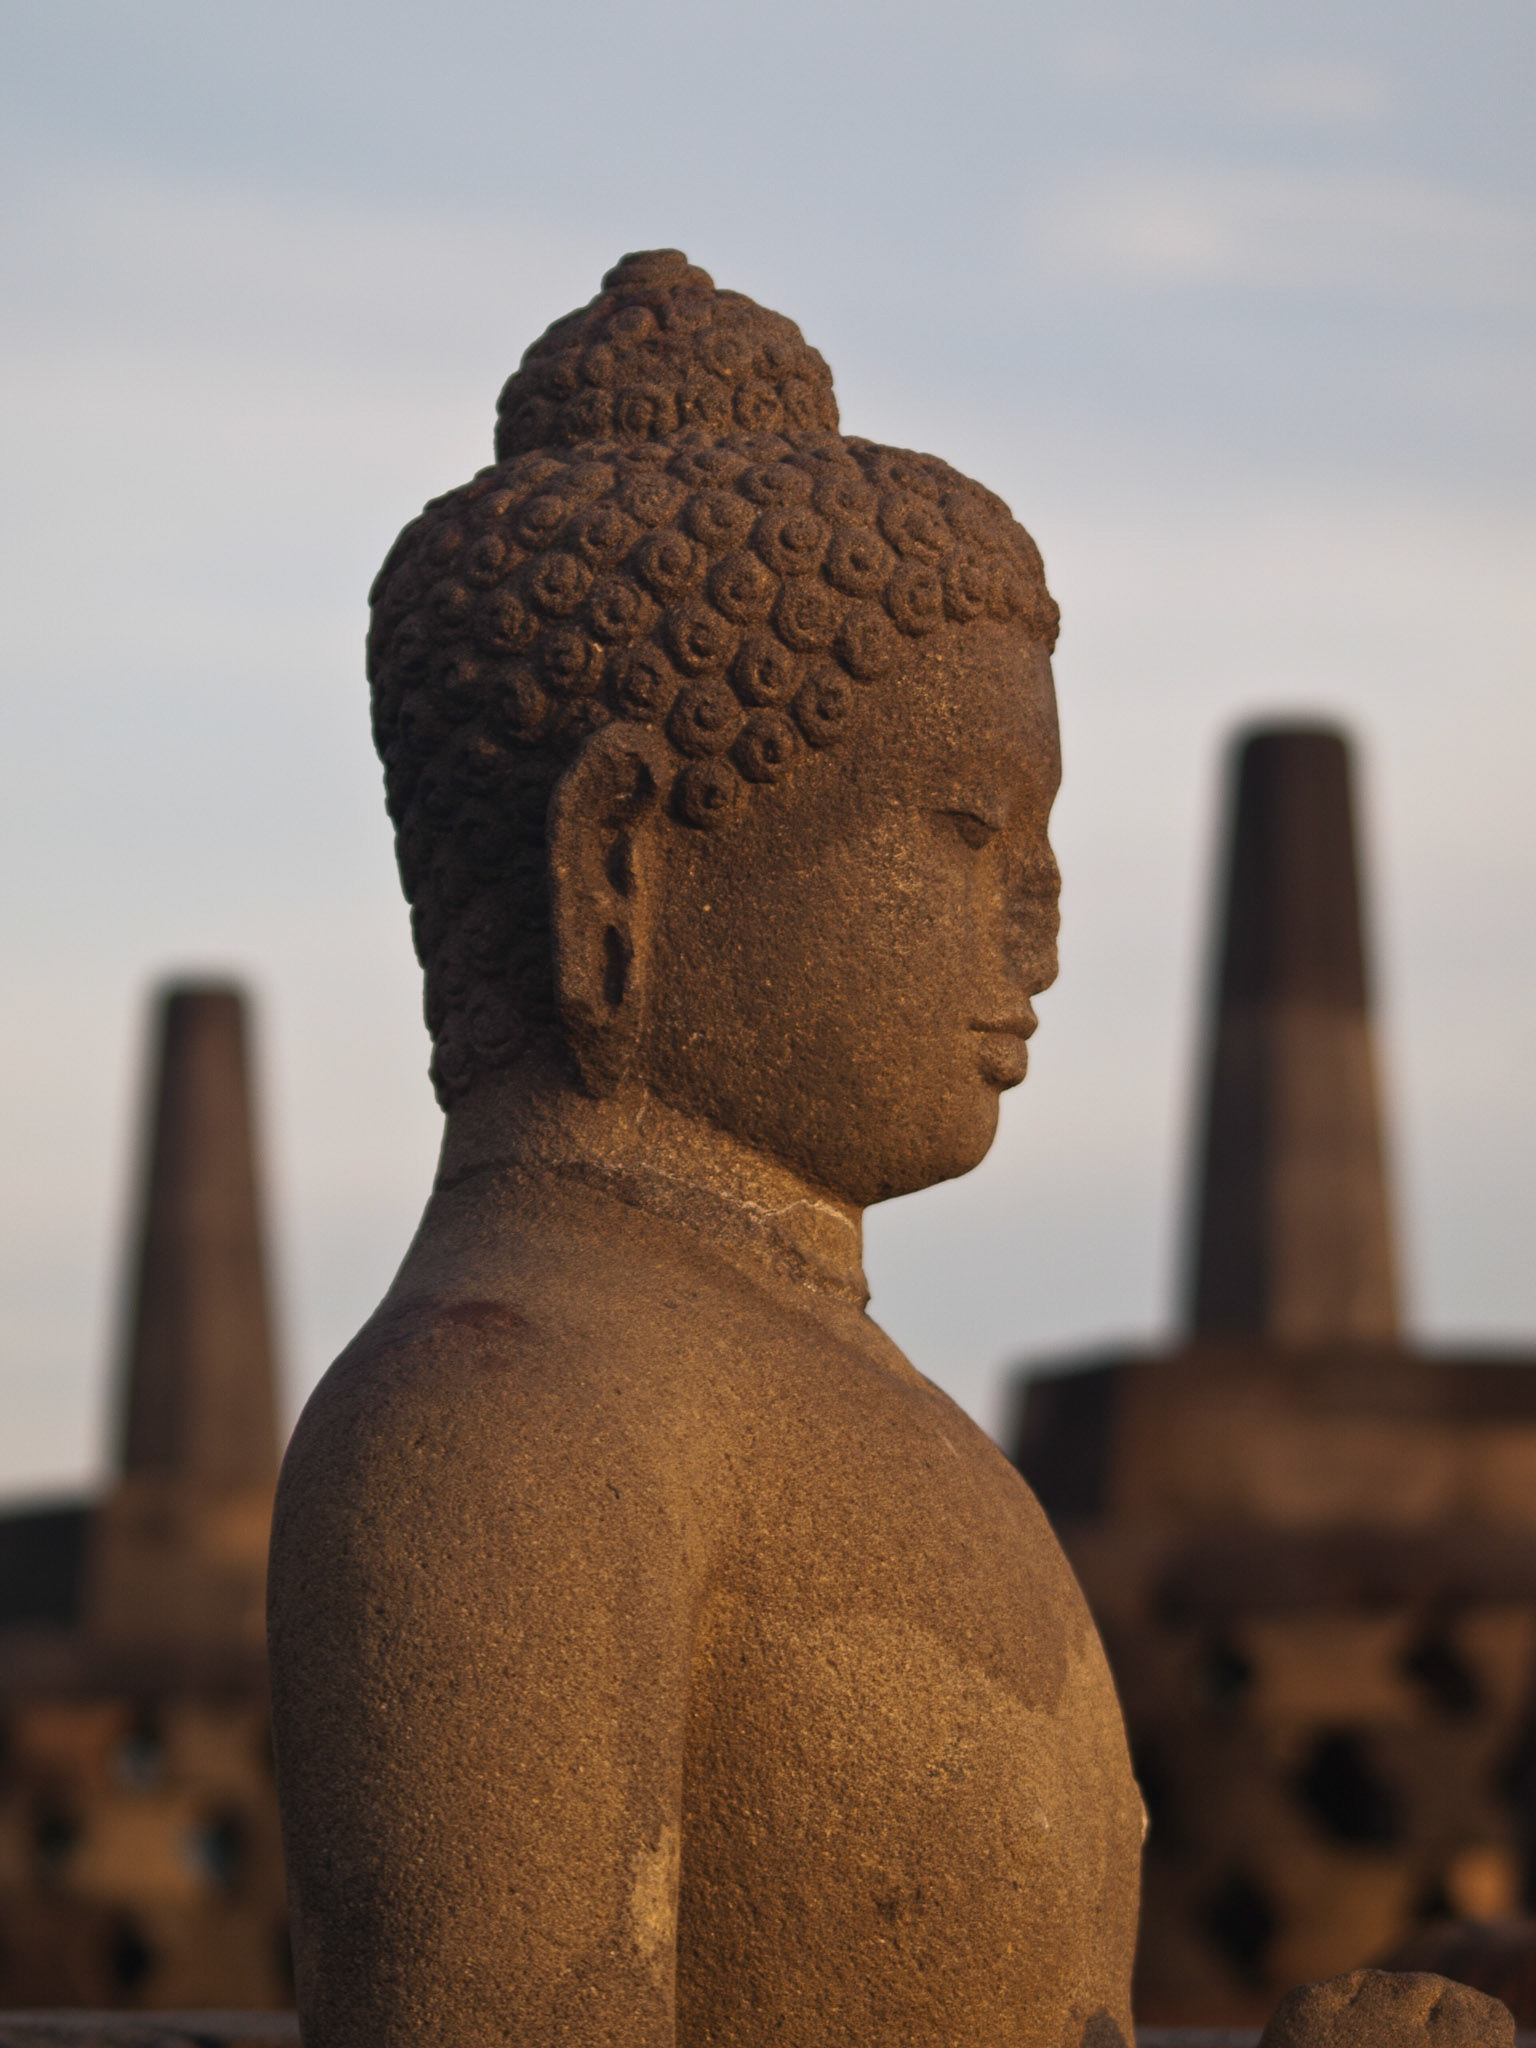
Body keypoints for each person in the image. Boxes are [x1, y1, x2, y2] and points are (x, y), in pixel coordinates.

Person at [267, 247, 1141, 2048]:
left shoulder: (810, 1387)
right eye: (965, 827)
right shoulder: (502, 1434)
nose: (1042, 911)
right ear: (621, 867)